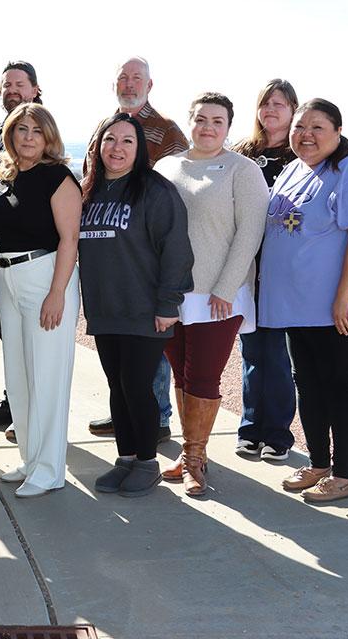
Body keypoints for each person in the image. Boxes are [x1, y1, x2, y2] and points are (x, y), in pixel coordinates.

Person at [258, 98, 348, 503]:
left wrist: (344, 296)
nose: (306, 135)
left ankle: (345, 474)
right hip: (296, 305)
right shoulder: (294, 169)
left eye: (317, 128)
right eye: (299, 128)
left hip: (334, 307)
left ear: (338, 133)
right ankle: (318, 462)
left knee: (337, 386)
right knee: (307, 385)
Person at [154, 93, 268, 497]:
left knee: (203, 374)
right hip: (173, 293)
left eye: (217, 121)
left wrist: (225, 287)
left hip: (218, 294)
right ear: (189, 121)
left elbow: (250, 232)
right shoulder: (166, 166)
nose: (207, 127)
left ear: (228, 127)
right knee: (181, 372)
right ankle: (188, 452)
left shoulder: (243, 170)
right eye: (201, 119)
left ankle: (196, 459)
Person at [79, 114, 194, 497]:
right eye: (111, 139)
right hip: (105, 307)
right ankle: (125, 458)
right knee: (117, 386)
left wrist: (168, 303)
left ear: (140, 148)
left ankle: (147, 461)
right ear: (98, 146)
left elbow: (176, 251)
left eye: (128, 141)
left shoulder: (155, 190)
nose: (118, 148)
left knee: (137, 386)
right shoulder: (90, 191)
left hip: (145, 309)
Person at [89, 56, 189, 442]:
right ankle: (131, 421)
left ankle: (157, 417)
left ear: (150, 84)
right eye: (123, 78)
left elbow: (178, 194)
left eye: (137, 78)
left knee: (145, 366)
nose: (129, 84)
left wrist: (169, 293)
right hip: (112, 266)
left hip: (147, 261)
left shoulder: (165, 130)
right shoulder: (105, 126)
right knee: (124, 378)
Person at [0, 104, 81, 498]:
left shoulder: (58, 177)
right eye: (21, 129)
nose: (28, 136)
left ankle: (48, 470)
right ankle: (30, 458)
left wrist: (57, 292)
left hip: (44, 278)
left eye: (36, 131)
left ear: (49, 137)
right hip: (6, 276)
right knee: (19, 373)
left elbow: (69, 240)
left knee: (46, 374)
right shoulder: (7, 174)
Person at [230, 79, 299, 461]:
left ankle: (278, 434)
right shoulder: (243, 153)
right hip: (245, 266)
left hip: (283, 268)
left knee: (276, 353)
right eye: (266, 103)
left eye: (280, 104)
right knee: (253, 348)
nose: (271, 110)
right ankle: (250, 428)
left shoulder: (301, 153)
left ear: (293, 109)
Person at [0, 62, 42, 437]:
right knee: (8, 336)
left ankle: (29, 411)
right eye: (7, 84)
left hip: (18, 258)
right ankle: (13, 399)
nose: (12, 89)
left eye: (20, 83)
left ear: (34, 89)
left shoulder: (36, 131)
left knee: (27, 337)